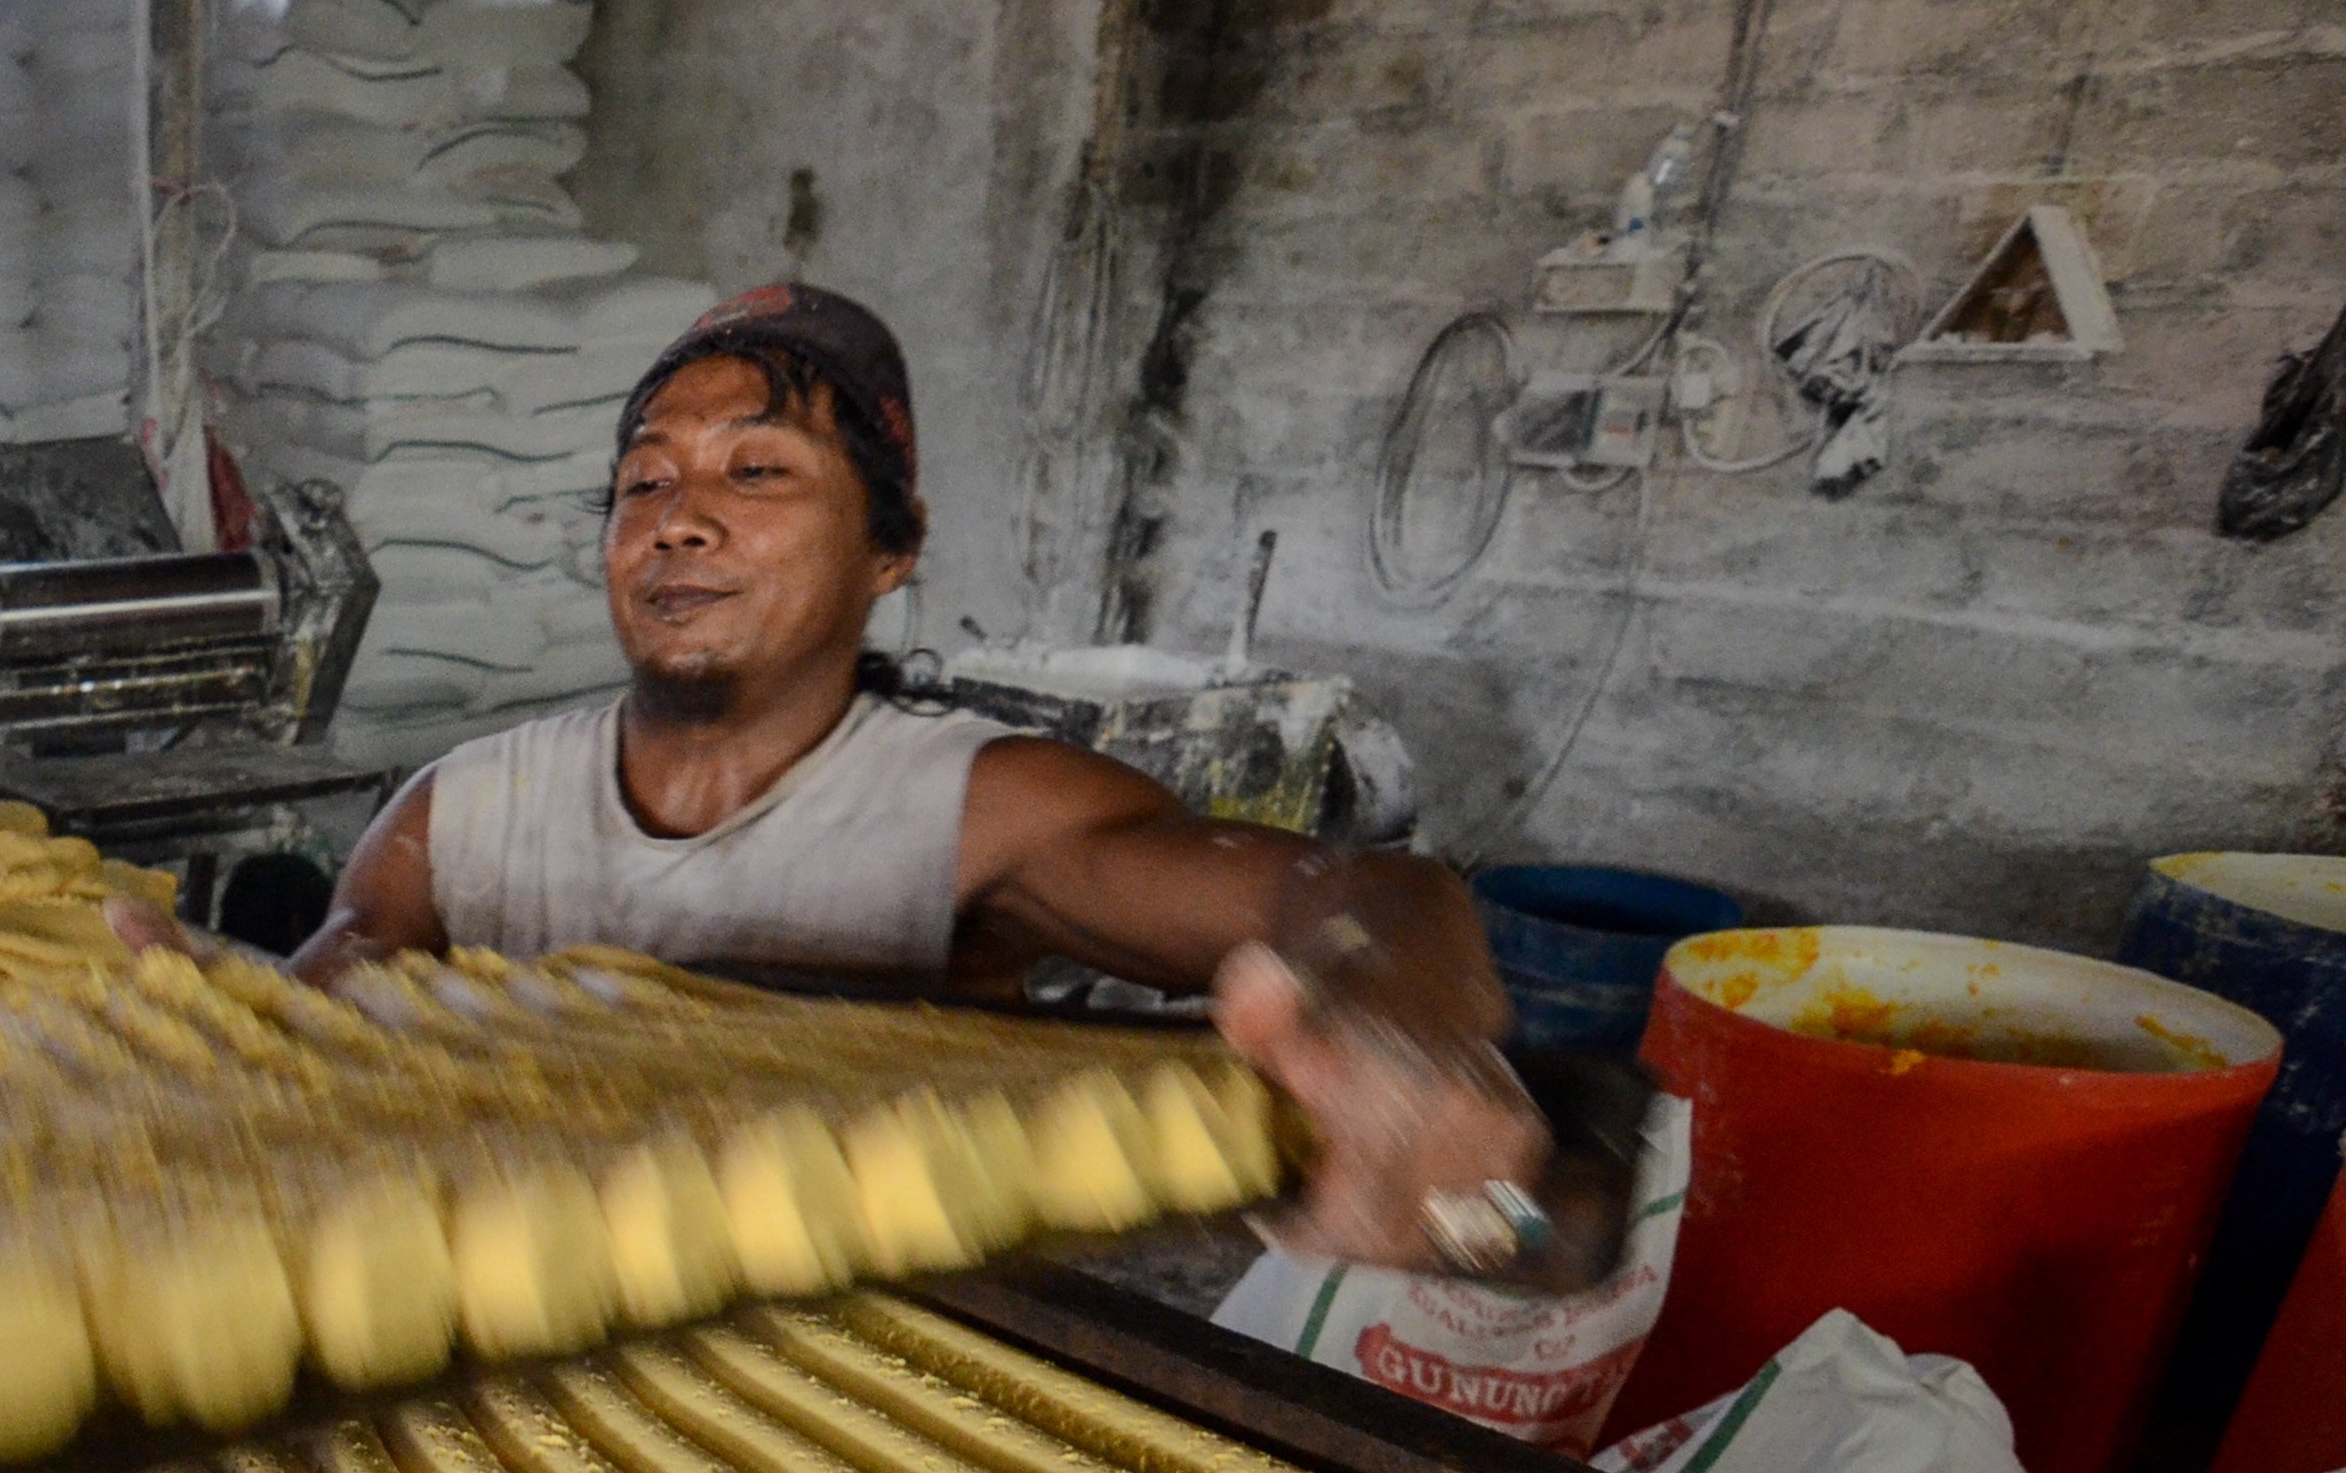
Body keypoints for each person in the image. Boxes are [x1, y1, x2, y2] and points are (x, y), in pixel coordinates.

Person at [291, 284, 1548, 1275]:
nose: (679, 518)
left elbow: (1370, 895)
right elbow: (322, 1006)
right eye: (645, 484)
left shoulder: (975, 815)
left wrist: (1396, 1027)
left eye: (757, 471)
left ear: (891, 548)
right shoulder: (460, 808)